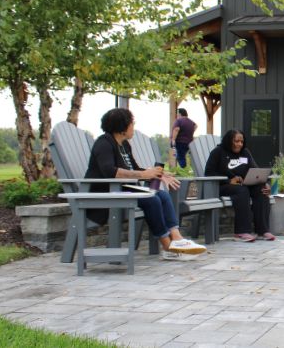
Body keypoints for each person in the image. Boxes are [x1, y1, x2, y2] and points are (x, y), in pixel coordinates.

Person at [85, 108, 207, 260]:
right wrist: (143, 174)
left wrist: (158, 174)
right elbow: (110, 171)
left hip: (122, 191)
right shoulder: (104, 144)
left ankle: (177, 238)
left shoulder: (124, 145)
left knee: (161, 194)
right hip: (105, 195)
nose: (133, 126)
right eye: (132, 123)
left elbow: (135, 169)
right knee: (151, 199)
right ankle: (168, 248)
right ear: (122, 127)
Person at [205, 129, 275, 242]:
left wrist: (264, 183)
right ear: (229, 140)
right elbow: (208, 173)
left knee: (261, 190)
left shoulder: (245, 153)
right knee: (242, 191)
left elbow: (255, 170)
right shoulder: (218, 152)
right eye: (236, 141)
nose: (239, 144)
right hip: (221, 186)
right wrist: (229, 181)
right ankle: (241, 232)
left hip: (242, 185)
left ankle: (262, 231)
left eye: (241, 142)